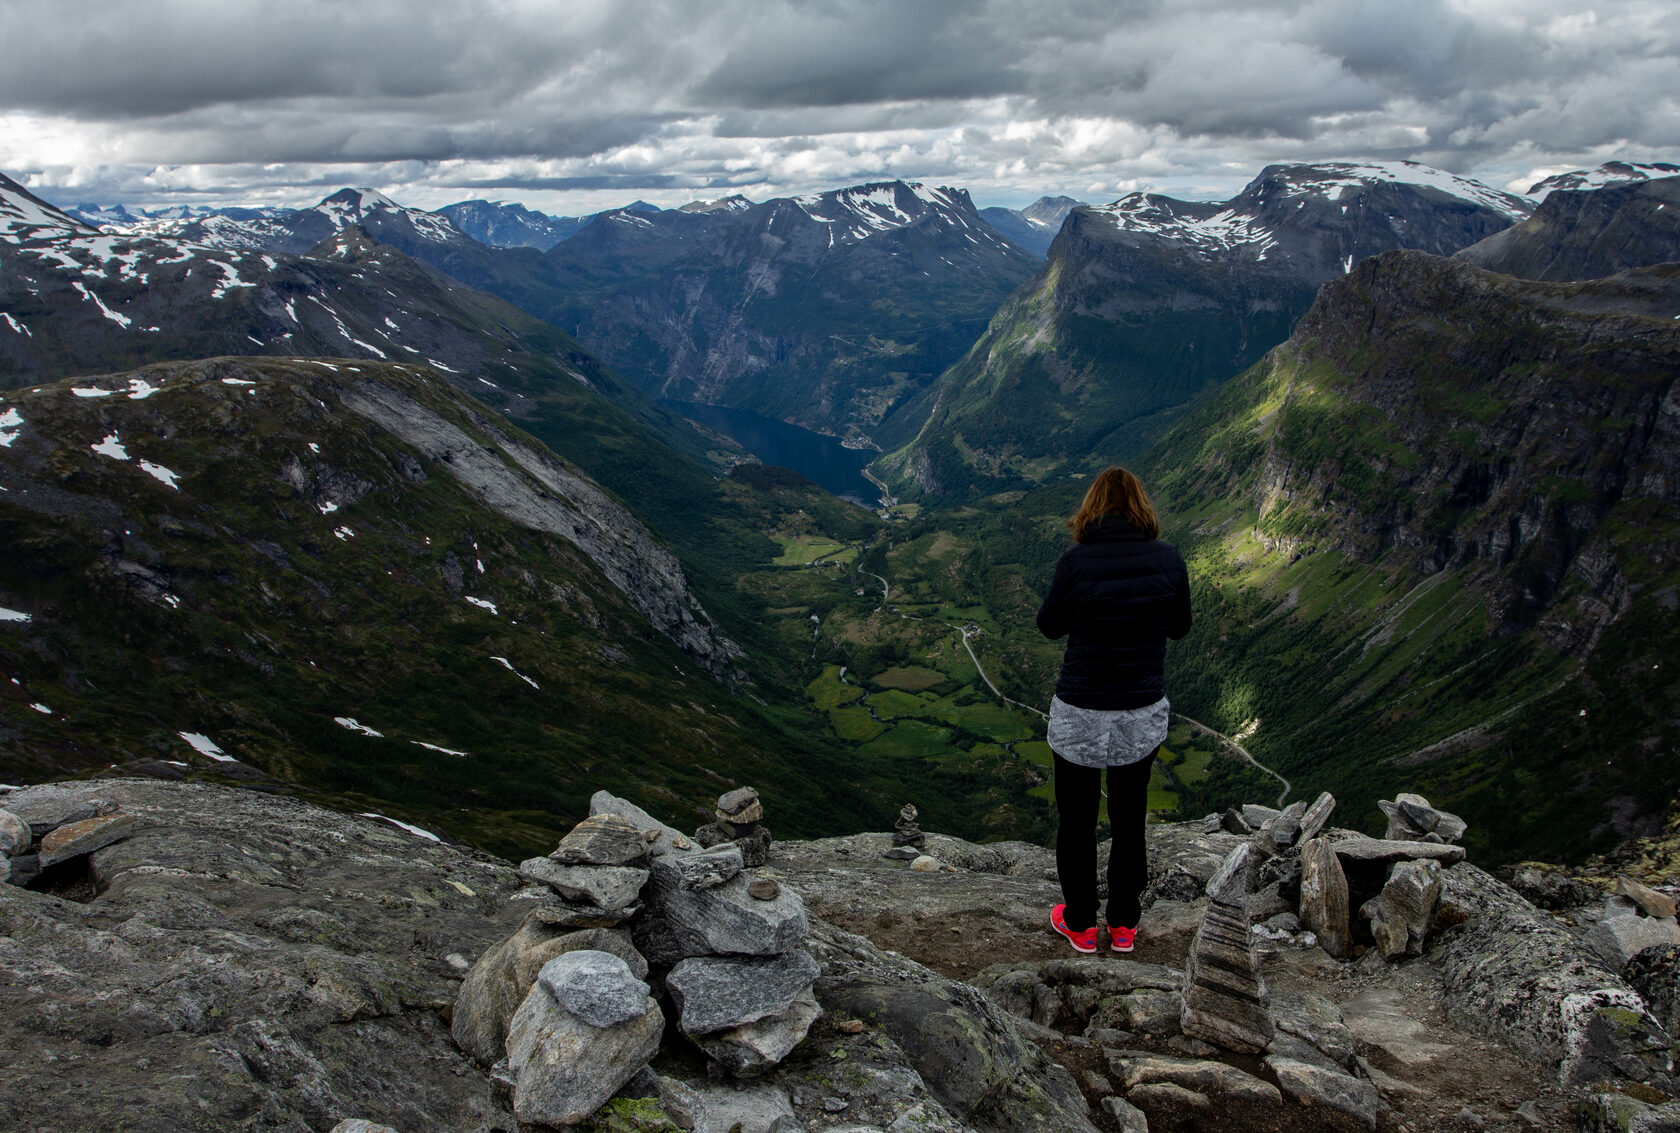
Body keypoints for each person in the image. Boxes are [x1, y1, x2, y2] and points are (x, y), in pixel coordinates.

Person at [1036, 466, 1192, 953]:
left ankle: (1080, 924)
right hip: (1138, 709)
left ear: (1093, 506)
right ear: (1141, 506)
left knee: (1077, 821)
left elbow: (1049, 626)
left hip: (1082, 707)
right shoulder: (1169, 559)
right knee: (1129, 819)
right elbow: (1180, 628)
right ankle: (1124, 925)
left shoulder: (1076, 560)